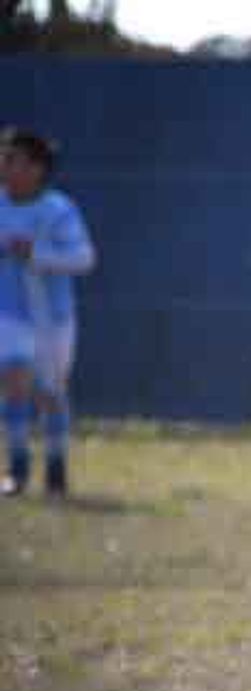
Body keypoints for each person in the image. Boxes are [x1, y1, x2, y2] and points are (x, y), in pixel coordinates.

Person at [0, 128, 96, 498]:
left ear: (37, 168)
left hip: (51, 318)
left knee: (51, 394)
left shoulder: (57, 210)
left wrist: (38, 257)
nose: (5, 167)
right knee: (14, 383)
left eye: (13, 160)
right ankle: (17, 467)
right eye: (4, 159)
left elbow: (85, 259)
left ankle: (56, 469)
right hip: (9, 314)